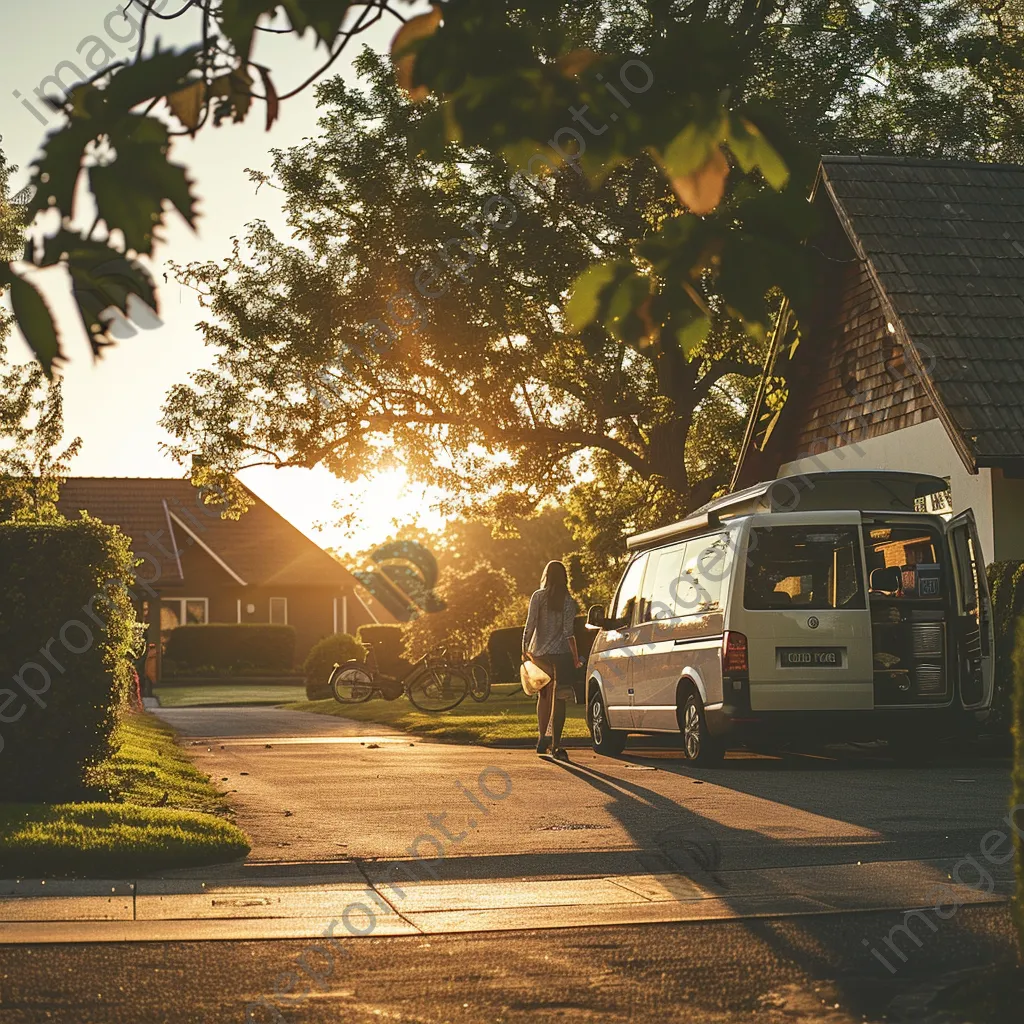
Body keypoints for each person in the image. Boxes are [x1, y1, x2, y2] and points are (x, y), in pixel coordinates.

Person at [522, 560, 582, 760]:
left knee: (544, 696)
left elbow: (530, 625)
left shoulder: (538, 597)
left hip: (540, 654)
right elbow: (568, 633)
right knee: (560, 698)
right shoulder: (568, 601)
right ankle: (556, 744)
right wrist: (575, 658)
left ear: (546, 576)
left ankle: (542, 737)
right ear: (565, 577)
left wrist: (524, 649)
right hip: (561, 656)